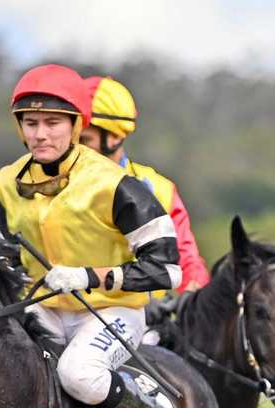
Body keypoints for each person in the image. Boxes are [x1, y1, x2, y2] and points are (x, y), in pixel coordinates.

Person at [0, 63, 181, 408]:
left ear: (77, 126)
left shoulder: (115, 185)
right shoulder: (4, 184)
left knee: (77, 375)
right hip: (43, 309)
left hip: (112, 312)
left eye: (53, 123)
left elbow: (167, 270)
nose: (40, 134)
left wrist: (89, 276)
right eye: (31, 123)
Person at [81, 75, 209, 293]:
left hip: (142, 318)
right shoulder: (41, 186)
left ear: (113, 136)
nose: (76, 148)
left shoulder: (160, 189)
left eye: (85, 140)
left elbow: (186, 261)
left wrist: (187, 298)